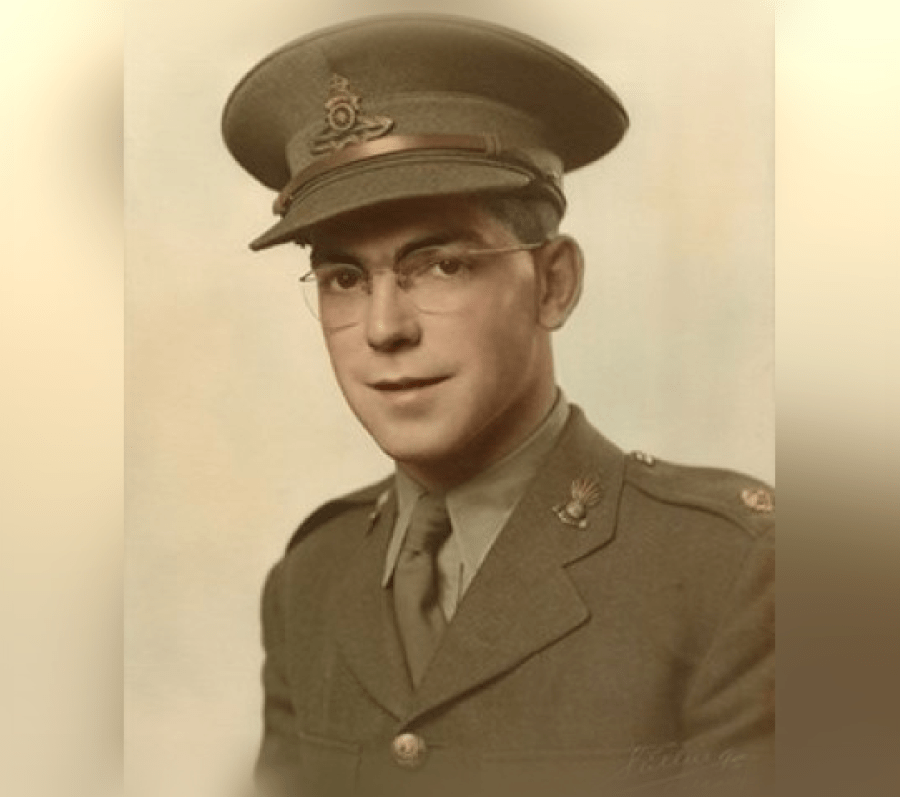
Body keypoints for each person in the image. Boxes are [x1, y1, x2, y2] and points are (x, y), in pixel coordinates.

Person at [221, 13, 774, 797]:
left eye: (441, 265)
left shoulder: (731, 571)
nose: (385, 329)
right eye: (344, 278)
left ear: (553, 285)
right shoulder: (311, 579)